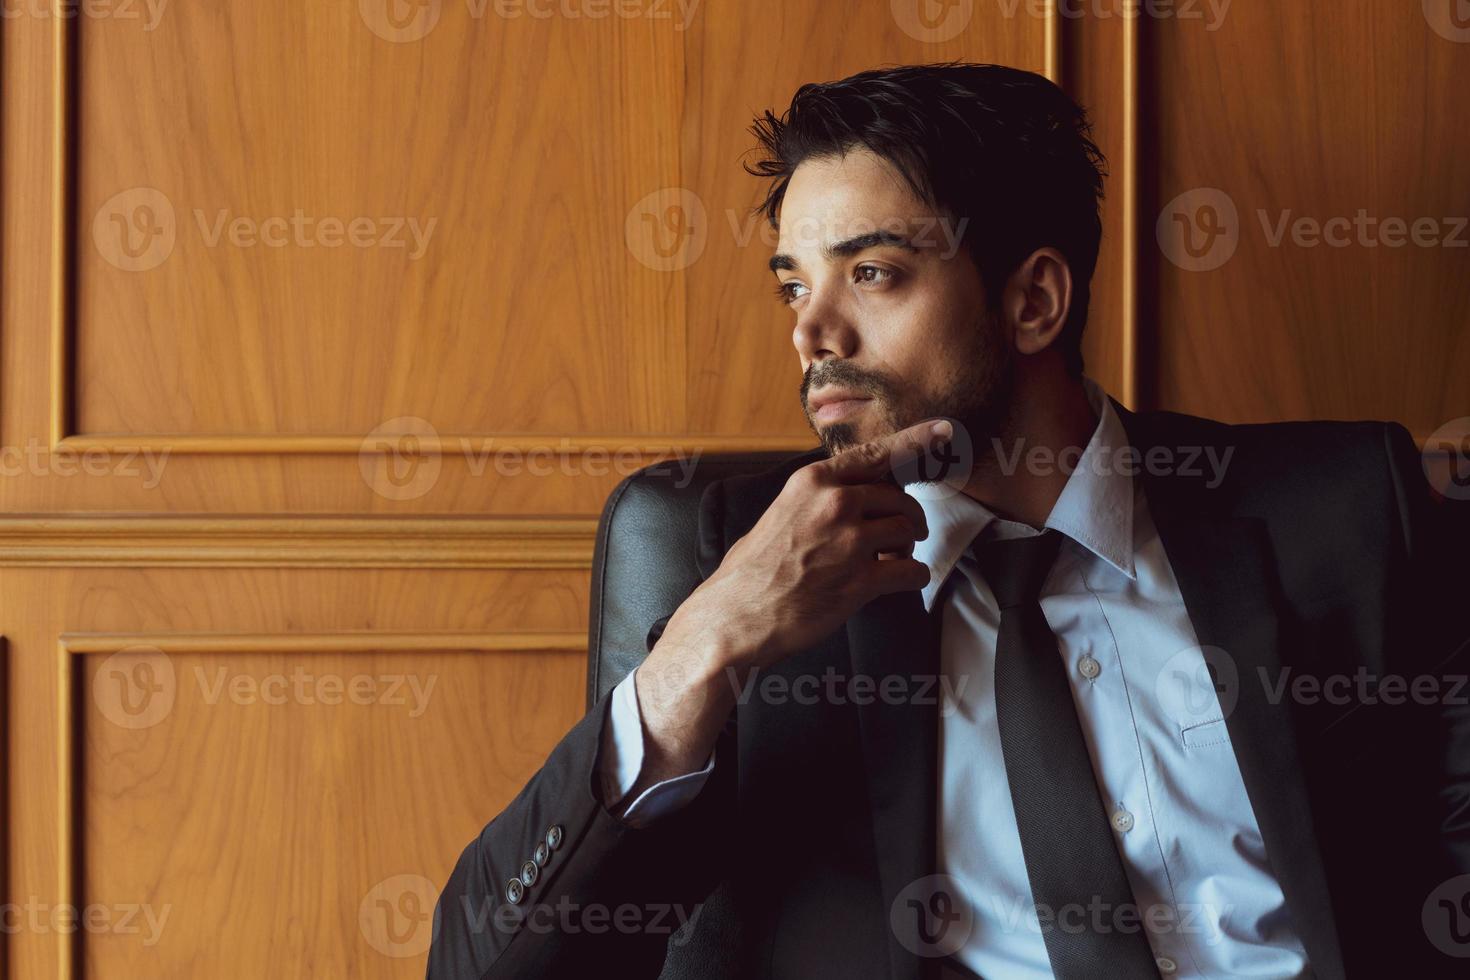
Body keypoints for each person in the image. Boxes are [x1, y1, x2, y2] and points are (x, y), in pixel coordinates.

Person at [427, 63, 1469, 979]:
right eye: (793, 282)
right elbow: (485, 964)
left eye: (870, 273)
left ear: (1034, 301)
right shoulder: (746, 564)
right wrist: (707, 639)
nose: (811, 332)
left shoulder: (1347, 509)